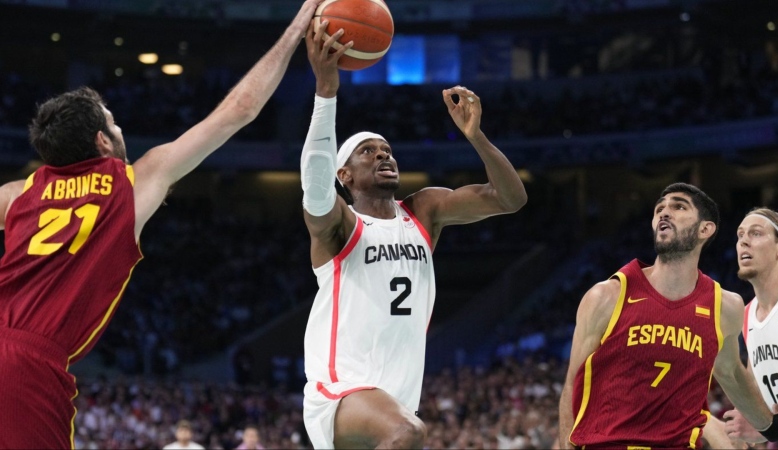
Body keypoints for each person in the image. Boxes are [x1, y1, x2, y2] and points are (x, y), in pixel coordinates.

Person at [0, 1, 323, 447]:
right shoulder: (133, 183)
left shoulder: (17, 193)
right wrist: (296, 29)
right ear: (101, 140)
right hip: (27, 365)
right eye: (114, 123)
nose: (121, 130)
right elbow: (239, 110)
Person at [298, 22, 528, 450]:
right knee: (407, 433)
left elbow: (509, 199)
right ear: (344, 175)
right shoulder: (339, 226)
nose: (383, 154)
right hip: (340, 391)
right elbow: (313, 183)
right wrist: (326, 91)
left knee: (406, 428)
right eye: (369, 151)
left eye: (386, 149)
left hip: (397, 398)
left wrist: (476, 137)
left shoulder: (423, 211)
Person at [557, 183, 778, 448]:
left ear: (705, 229)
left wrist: (771, 426)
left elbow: (731, 373)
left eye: (679, 206)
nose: (664, 213)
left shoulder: (725, 306)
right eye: (659, 208)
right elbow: (571, 387)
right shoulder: (607, 296)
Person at [722, 207, 778, 445]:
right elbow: (753, 398)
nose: (744, 241)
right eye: (740, 235)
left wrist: (767, 429)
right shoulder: (746, 316)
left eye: (755, 233)